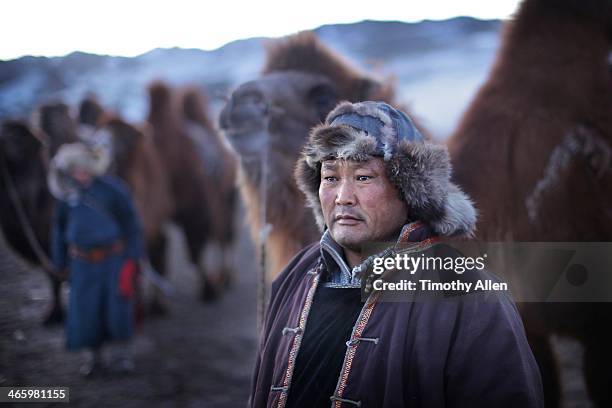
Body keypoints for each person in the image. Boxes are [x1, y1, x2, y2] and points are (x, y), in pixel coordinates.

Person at [248, 101, 544, 407]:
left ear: (408, 189)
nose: (343, 197)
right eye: (331, 177)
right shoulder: (295, 274)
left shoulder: (471, 298)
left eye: (363, 177)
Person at [48, 142, 143, 377]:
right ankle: (94, 358)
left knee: (117, 309)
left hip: (114, 261)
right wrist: (59, 262)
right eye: (74, 169)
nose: (80, 173)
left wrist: (132, 256)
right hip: (82, 264)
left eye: (83, 167)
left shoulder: (113, 190)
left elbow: (132, 224)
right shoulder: (66, 196)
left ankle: (121, 357)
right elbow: (59, 231)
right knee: (86, 311)